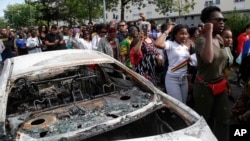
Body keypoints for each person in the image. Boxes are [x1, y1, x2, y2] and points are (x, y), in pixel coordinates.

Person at [192, 6, 229, 141]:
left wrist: (226, 80)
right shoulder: (201, 40)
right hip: (204, 88)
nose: (222, 22)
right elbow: (208, 59)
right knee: (203, 121)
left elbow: (222, 61)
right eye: (218, 20)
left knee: (223, 119)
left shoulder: (219, 38)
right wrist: (208, 32)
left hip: (220, 85)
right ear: (207, 22)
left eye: (223, 20)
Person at [155, 24, 190, 104]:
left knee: (183, 104)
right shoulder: (170, 44)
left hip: (184, 79)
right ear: (175, 35)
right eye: (182, 33)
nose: (184, 36)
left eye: (186, 33)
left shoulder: (185, 47)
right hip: (173, 79)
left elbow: (186, 64)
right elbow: (157, 44)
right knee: (178, 106)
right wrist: (167, 30)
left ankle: (176, 116)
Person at [130, 21, 163, 86]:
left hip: (152, 70)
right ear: (140, 30)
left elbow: (155, 51)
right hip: (141, 70)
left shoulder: (152, 40)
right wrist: (141, 40)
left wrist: (159, 55)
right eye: (145, 30)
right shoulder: (136, 40)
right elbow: (136, 53)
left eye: (148, 31)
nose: (147, 32)